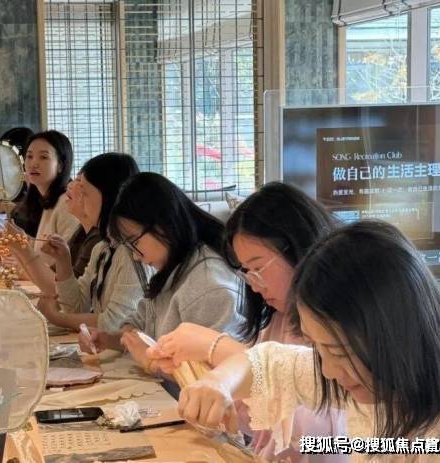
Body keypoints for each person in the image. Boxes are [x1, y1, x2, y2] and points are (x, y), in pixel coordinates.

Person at [151, 221, 440, 461]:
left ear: (397, 332)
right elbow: (268, 362)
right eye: (318, 347)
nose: (327, 370)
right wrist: (217, 383)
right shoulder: (371, 377)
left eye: (337, 351)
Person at [138, 182, 344, 461]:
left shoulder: (341, 328)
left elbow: (319, 434)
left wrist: (216, 348)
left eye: (258, 267)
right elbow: (253, 420)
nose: (254, 285)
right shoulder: (278, 318)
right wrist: (202, 376)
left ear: (299, 247)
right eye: (247, 271)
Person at [78, 172, 244, 375]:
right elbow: (140, 324)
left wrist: (151, 360)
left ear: (163, 224)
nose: (136, 256)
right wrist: (110, 339)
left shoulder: (208, 283)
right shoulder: (174, 266)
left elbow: (216, 375)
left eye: (135, 242)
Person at [26, 153, 143, 332]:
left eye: (85, 192)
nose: (79, 197)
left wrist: (56, 317)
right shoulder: (102, 248)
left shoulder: (131, 253)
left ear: (109, 195)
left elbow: (115, 323)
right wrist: (63, 262)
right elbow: (77, 307)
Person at [5, 130, 79, 266]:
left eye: (43, 157)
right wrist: (14, 240)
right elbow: (44, 250)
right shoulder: (47, 199)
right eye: (29, 156)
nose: (33, 164)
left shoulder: (66, 203)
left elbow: (66, 265)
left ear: (60, 166)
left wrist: (23, 265)